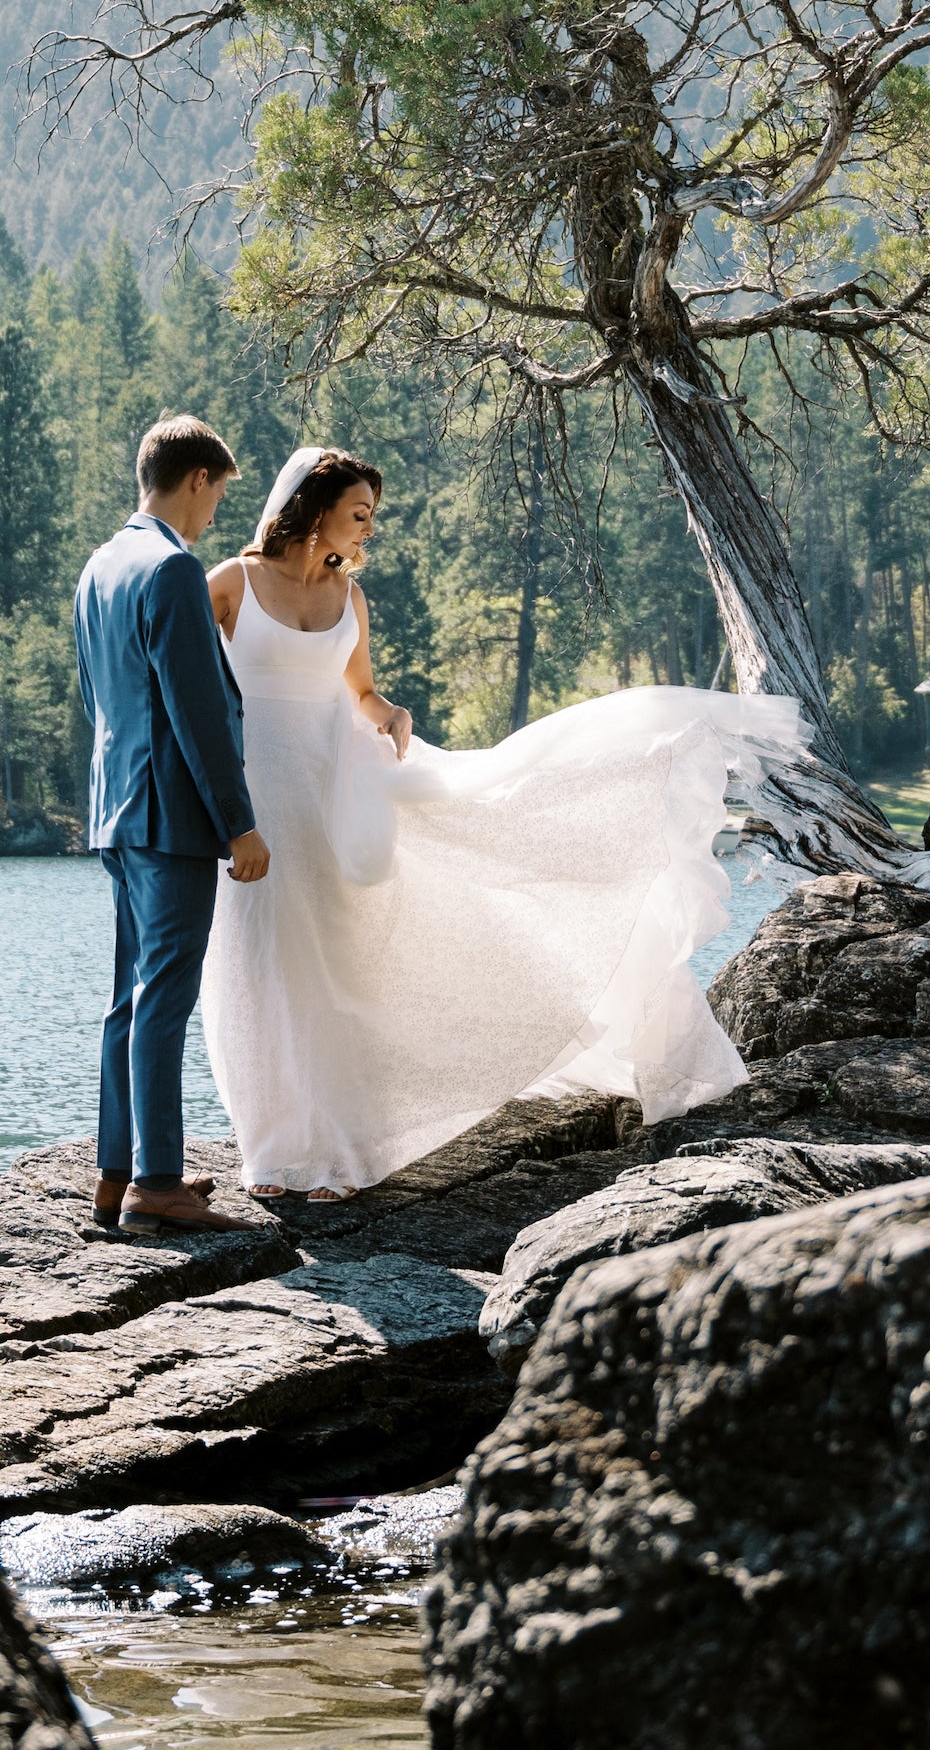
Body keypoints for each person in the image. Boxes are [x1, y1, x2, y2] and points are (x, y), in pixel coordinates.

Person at [202, 444, 794, 1199]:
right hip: (256, 802)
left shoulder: (350, 599)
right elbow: (183, 689)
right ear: (315, 512)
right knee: (262, 967)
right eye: (358, 516)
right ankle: (274, 1154)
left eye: (371, 518)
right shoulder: (231, 584)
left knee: (338, 975)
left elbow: (361, 692)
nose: (368, 532)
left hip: (337, 799)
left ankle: (339, 1153)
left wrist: (388, 713)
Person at [73, 414, 272, 1238]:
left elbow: (96, 699)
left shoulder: (100, 566)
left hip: (116, 811)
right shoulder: (172, 569)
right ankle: (158, 1184)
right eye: (219, 491)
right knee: (164, 999)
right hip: (173, 817)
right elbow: (198, 713)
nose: (218, 511)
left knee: (130, 996)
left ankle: (118, 1174)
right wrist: (239, 825)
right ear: (195, 479)